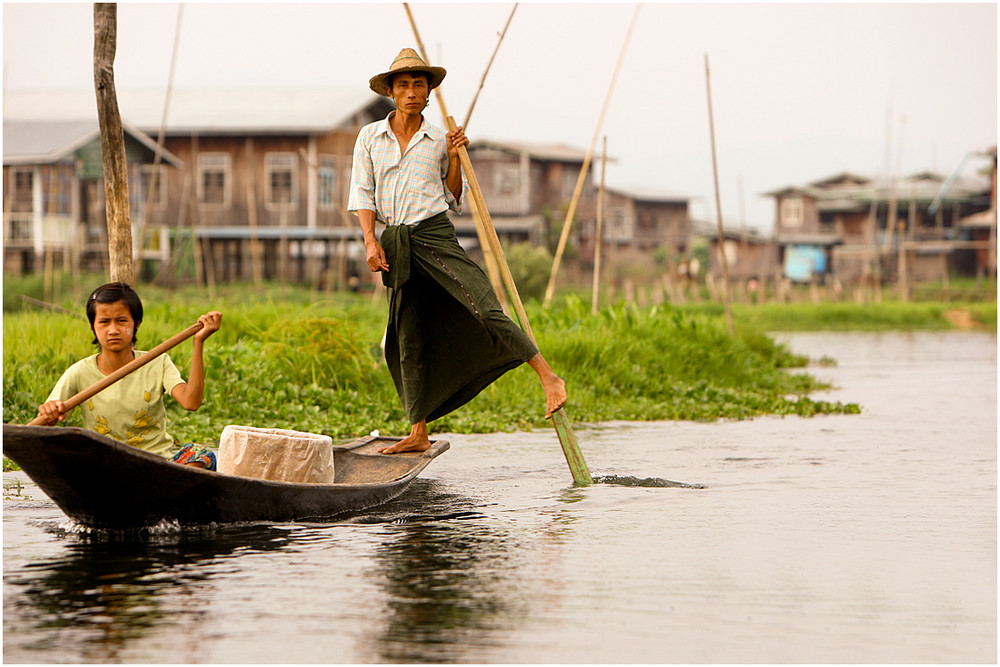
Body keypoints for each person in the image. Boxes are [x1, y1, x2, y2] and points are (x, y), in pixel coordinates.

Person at [348, 47, 567, 455]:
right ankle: (418, 430)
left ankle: (548, 376)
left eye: (418, 85)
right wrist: (370, 239)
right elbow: (362, 192)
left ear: (428, 93)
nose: (411, 92)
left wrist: (453, 158)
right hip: (396, 240)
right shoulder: (369, 138)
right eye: (403, 86)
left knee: (483, 307)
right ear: (392, 93)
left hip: (435, 234)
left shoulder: (438, 139)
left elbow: (452, 197)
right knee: (406, 335)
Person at [35, 282, 223, 469]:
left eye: (122, 320)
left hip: (158, 466)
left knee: (202, 455)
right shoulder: (79, 372)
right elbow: (41, 425)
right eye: (104, 322)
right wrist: (50, 411)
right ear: (93, 326)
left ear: (136, 324)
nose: (113, 330)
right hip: (106, 466)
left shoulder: (158, 362)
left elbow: (191, 402)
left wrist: (198, 342)